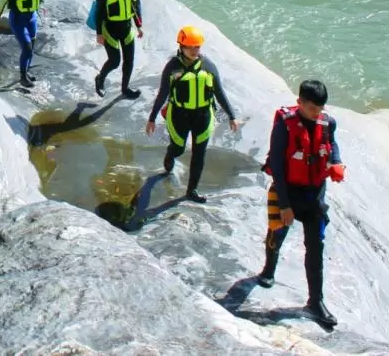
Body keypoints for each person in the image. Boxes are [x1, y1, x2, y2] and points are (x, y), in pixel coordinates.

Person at [257, 79, 345, 329]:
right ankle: (268, 269)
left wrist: (336, 161)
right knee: (278, 231)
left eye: (320, 108)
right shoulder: (285, 126)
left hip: (314, 195)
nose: (317, 113)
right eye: (312, 108)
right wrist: (284, 205)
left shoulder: (327, 123)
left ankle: (315, 301)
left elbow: (333, 145)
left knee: (316, 246)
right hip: (289, 192)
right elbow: (277, 163)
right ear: (300, 103)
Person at [145, 26, 241, 203]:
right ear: (181, 46)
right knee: (178, 148)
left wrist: (231, 115)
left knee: (199, 153)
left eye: (197, 47)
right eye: (191, 47)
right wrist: (152, 118)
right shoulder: (172, 68)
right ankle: (170, 155)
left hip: (203, 116)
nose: (195, 51)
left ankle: (192, 190)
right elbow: (163, 93)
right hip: (179, 115)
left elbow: (219, 92)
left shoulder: (208, 66)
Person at [94, 0, 144, 100]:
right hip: (110, 29)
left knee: (129, 60)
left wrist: (139, 25)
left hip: (127, 28)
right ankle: (100, 79)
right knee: (115, 61)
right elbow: (100, 10)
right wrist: (99, 33)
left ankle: (125, 88)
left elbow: (136, 4)